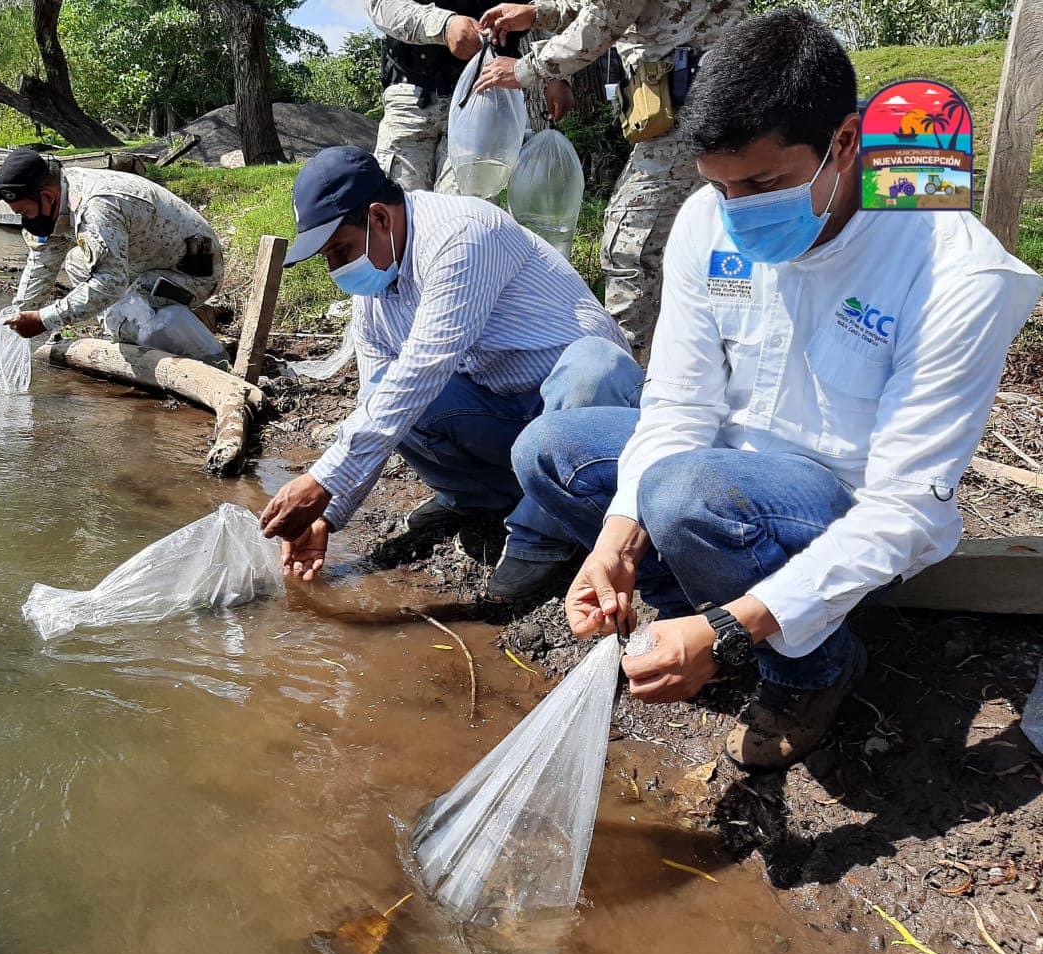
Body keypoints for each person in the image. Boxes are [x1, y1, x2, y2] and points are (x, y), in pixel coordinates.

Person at [510, 10, 1043, 768]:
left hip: (841, 518)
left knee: (686, 492)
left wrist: (730, 630)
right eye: (720, 186)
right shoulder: (707, 222)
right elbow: (681, 403)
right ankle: (696, 601)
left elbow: (906, 513)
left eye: (762, 182)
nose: (738, 212)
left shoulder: (954, 271)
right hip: (712, 489)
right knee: (551, 452)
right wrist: (613, 543)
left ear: (846, 142)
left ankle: (810, 670)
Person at [259, 145, 642, 598]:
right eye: (328, 257)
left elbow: (424, 366)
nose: (336, 269)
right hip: (506, 410)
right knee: (386, 394)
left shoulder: (462, 234)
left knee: (593, 369)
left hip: (583, 410)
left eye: (340, 250)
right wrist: (327, 513)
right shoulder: (376, 295)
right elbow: (376, 403)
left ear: (380, 218)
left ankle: (543, 535)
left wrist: (323, 481)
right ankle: (483, 500)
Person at [474, 0, 747, 351]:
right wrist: (537, 13)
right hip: (701, 109)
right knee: (706, 246)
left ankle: (621, 376)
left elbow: (605, 17)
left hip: (694, 113)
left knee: (631, 249)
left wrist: (528, 69)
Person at [0, 148, 224, 338]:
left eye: (24, 212)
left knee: (121, 318)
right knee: (77, 261)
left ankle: (186, 325)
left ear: (47, 197)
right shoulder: (62, 194)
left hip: (192, 275)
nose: (24, 220)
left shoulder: (95, 207)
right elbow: (42, 262)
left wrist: (44, 320)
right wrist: (19, 314)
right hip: (146, 264)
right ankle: (140, 324)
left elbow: (111, 282)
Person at [366, 0, 572, 192]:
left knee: (467, 215)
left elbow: (550, 10)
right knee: (396, 210)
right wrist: (444, 26)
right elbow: (380, 5)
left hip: (488, 99)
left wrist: (556, 75)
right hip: (410, 96)